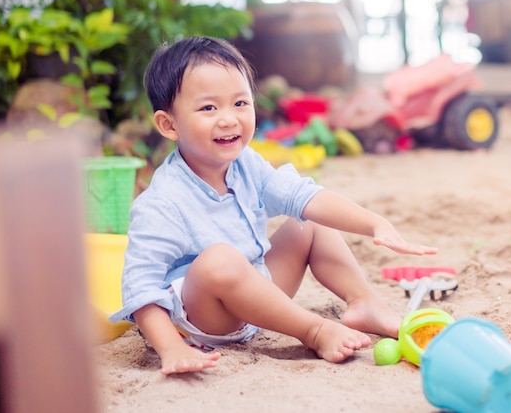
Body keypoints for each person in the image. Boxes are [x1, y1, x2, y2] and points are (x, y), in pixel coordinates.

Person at [109, 36, 437, 375]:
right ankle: (314, 329)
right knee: (218, 260)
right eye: (208, 108)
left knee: (308, 222)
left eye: (240, 103)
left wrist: (374, 223)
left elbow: (303, 196)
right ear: (169, 124)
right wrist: (171, 348)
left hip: (258, 300)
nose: (229, 119)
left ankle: (363, 301)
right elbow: (141, 286)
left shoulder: (245, 163)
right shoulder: (162, 202)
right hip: (207, 321)